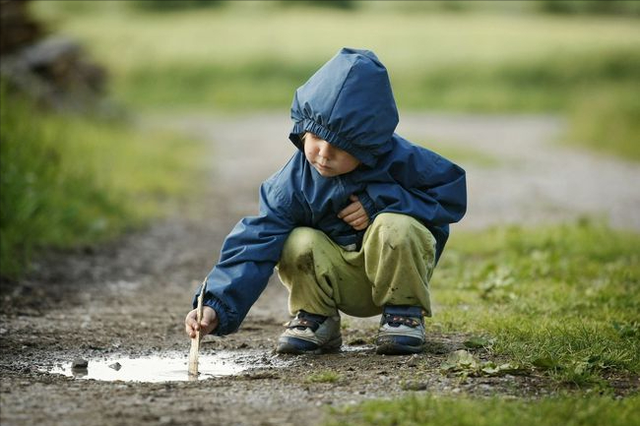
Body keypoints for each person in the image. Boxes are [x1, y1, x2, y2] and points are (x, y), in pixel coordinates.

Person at [185, 48, 466, 355]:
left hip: (394, 276)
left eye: (340, 146)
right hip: (333, 281)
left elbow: (451, 192)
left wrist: (382, 203)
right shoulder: (292, 184)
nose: (323, 152)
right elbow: (255, 242)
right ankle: (316, 318)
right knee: (295, 240)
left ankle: (404, 314)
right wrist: (216, 303)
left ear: (368, 145)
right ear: (302, 128)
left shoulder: (402, 160)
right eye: (316, 137)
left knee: (395, 225)